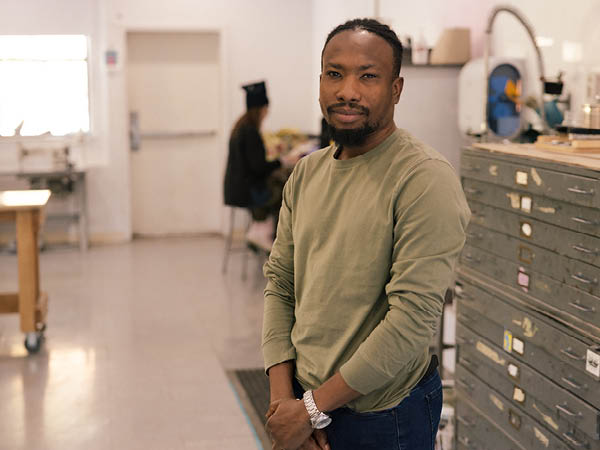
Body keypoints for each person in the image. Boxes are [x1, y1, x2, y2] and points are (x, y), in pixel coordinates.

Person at [261, 18, 470, 450]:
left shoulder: (423, 179)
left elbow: (411, 321)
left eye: (368, 76)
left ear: (396, 89)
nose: (347, 91)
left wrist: (314, 408)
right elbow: (281, 284)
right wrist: (286, 405)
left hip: (383, 416)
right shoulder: (307, 173)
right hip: (304, 402)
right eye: (334, 74)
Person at [224, 81, 296, 250]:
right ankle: (267, 234)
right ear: (261, 109)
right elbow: (258, 167)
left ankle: (259, 228)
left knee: (278, 183)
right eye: (266, 109)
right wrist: (283, 161)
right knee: (286, 190)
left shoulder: (241, 127)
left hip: (236, 189)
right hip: (247, 191)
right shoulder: (250, 132)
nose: (267, 113)